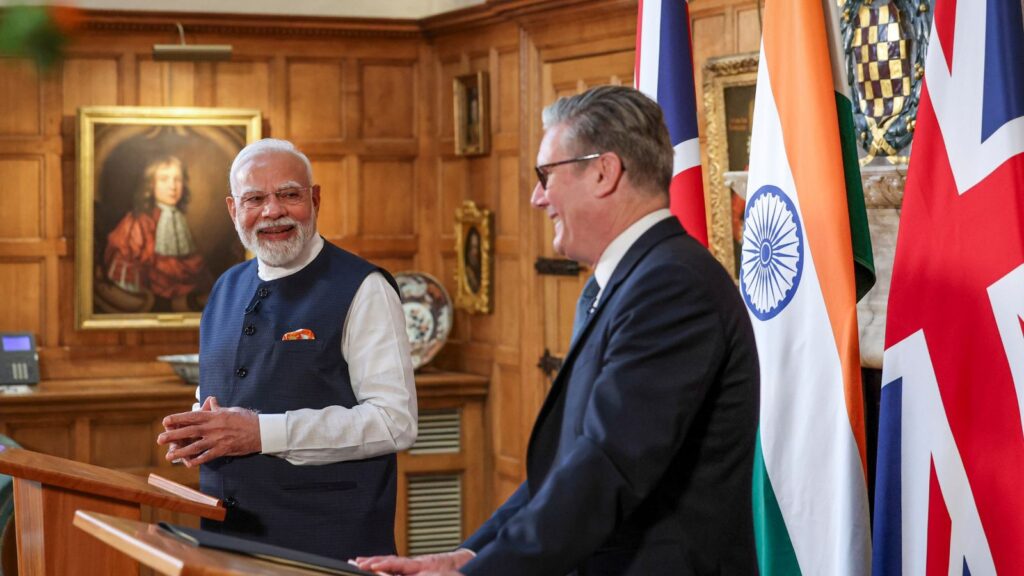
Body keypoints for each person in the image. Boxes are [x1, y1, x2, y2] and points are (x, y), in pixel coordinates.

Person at [357, 86, 760, 575]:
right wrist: (472, 554)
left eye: (546, 175)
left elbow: (607, 466)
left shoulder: (672, 286)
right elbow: (569, 464)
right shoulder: (624, 283)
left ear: (603, 172)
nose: (537, 196)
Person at [156, 138, 418, 561]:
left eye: (289, 195)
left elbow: (395, 423)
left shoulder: (364, 288)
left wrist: (261, 433)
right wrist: (200, 432)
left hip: (327, 545)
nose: (272, 211)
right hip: (227, 541)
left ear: (314, 199)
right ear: (233, 210)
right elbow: (230, 395)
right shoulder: (224, 287)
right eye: (255, 199)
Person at [102, 155, 210, 311]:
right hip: (146, 294)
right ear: (151, 185)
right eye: (164, 179)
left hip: (181, 295)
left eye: (177, 179)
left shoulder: (179, 220)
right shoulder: (136, 221)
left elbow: (192, 264)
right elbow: (125, 263)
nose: (173, 186)